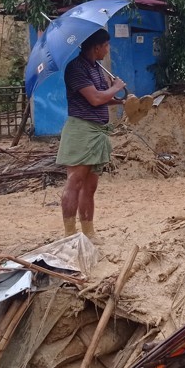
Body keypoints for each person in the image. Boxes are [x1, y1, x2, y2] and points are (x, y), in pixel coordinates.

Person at [57, 29, 125, 238]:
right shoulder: (76, 69)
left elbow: (103, 98)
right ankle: (70, 234)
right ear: (97, 47)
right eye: (106, 45)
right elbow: (95, 99)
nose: (108, 49)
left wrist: (123, 100)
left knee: (90, 186)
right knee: (75, 182)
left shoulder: (97, 68)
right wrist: (116, 87)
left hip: (97, 131)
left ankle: (88, 233)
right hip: (81, 130)